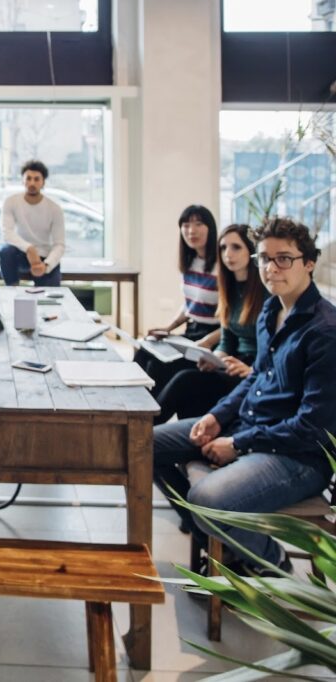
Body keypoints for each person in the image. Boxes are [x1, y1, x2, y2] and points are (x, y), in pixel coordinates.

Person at [152, 217, 336, 574]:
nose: (271, 268)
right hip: (250, 426)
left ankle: (270, 561)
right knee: (144, 445)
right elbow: (255, 381)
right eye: (264, 258)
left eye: (284, 258)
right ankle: (214, 539)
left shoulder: (325, 331)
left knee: (207, 497)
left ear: (309, 263)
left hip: (297, 456)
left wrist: (238, 444)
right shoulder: (272, 309)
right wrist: (216, 417)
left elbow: (312, 428)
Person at [154, 224, 265, 424]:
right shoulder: (229, 288)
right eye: (223, 248)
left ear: (252, 251)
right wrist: (215, 359)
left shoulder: (264, 292)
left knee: (184, 380)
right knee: (169, 365)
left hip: (252, 369)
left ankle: (145, 429)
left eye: (236, 247)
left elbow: (271, 348)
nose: (228, 254)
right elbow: (227, 340)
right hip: (232, 361)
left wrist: (252, 369)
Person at [135, 205, 222, 397]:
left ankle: (149, 416)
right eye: (186, 225)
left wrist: (208, 341)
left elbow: (232, 322)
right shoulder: (191, 262)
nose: (192, 230)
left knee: (159, 364)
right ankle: (131, 404)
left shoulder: (222, 266)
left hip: (213, 337)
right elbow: (191, 304)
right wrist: (168, 328)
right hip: (192, 331)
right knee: (145, 349)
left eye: (199, 224)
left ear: (211, 228)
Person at [0, 160, 67, 286]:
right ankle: (12, 290)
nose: (32, 183)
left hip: (44, 257)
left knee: (50, 299)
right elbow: (7, 233)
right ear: (22, 180)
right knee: (5, 252)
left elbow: (60, 245)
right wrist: (29, 249)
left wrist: (46, 265)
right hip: (20, 254)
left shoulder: (54, 208)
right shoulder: (11, 202)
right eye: (28, 178)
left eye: (36, 179)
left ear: (43, 182)